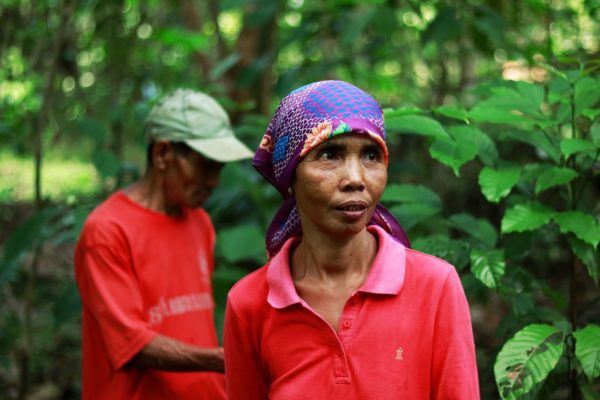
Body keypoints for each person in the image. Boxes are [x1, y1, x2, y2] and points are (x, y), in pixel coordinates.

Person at [224, 80, 479, 399]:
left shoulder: (434, 286)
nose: (356, 179)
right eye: (330, 154)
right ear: (290, 175)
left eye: (371, 155)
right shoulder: (249, 303)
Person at [74, 88, 254, 399]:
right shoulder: (107, 231)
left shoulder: (200, 223)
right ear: (162, 154)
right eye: (205, 165)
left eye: (219, 168)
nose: (214, 181)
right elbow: (133, 344)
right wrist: (228, 360)